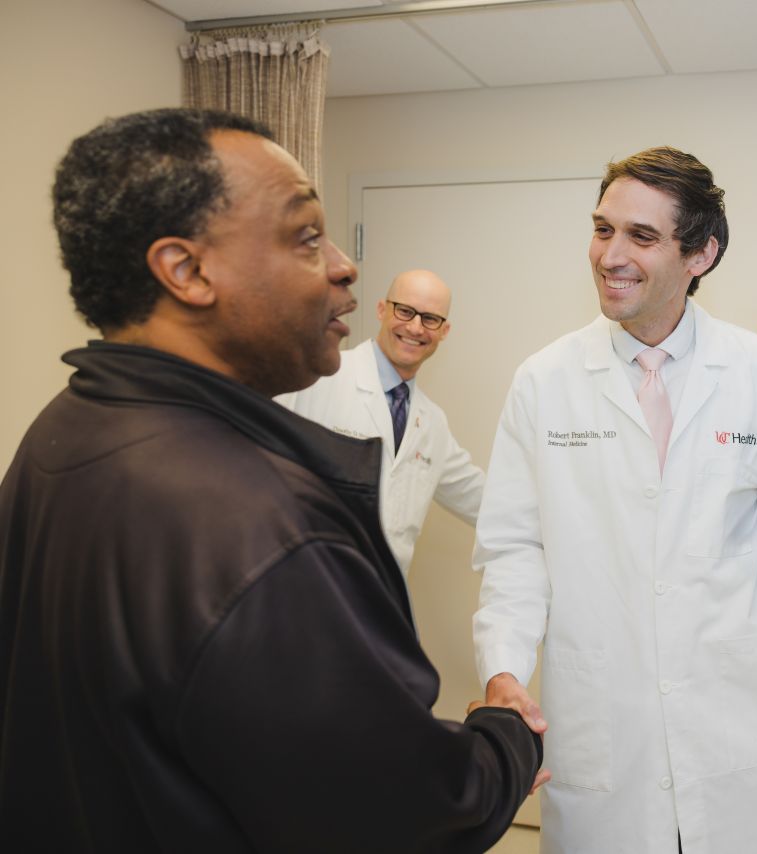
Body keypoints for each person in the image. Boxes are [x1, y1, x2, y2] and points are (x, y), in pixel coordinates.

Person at [0, 108, 544, 853]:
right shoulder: (259, 526)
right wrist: (506, 737)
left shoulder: (66, 429)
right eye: (305, 236)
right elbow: (409, 811)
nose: (343, 266)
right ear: (188, 271)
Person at [472, 147, 757, 854]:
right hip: (604, 716)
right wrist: (503, 668)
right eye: (603, 229)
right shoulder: (545, 380)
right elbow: (516, 546)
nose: (610, 255)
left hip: (747, 710)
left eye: (641, 237)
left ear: (700, 254)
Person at [280, 268, 485, 573]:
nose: (415, 328)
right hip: (304, 582)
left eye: (430, 319)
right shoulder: (318, 377)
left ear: (444, 331)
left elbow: (482, 499)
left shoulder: (432, 423)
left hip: (379, 600)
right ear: (381, 309)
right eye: (404, 311)